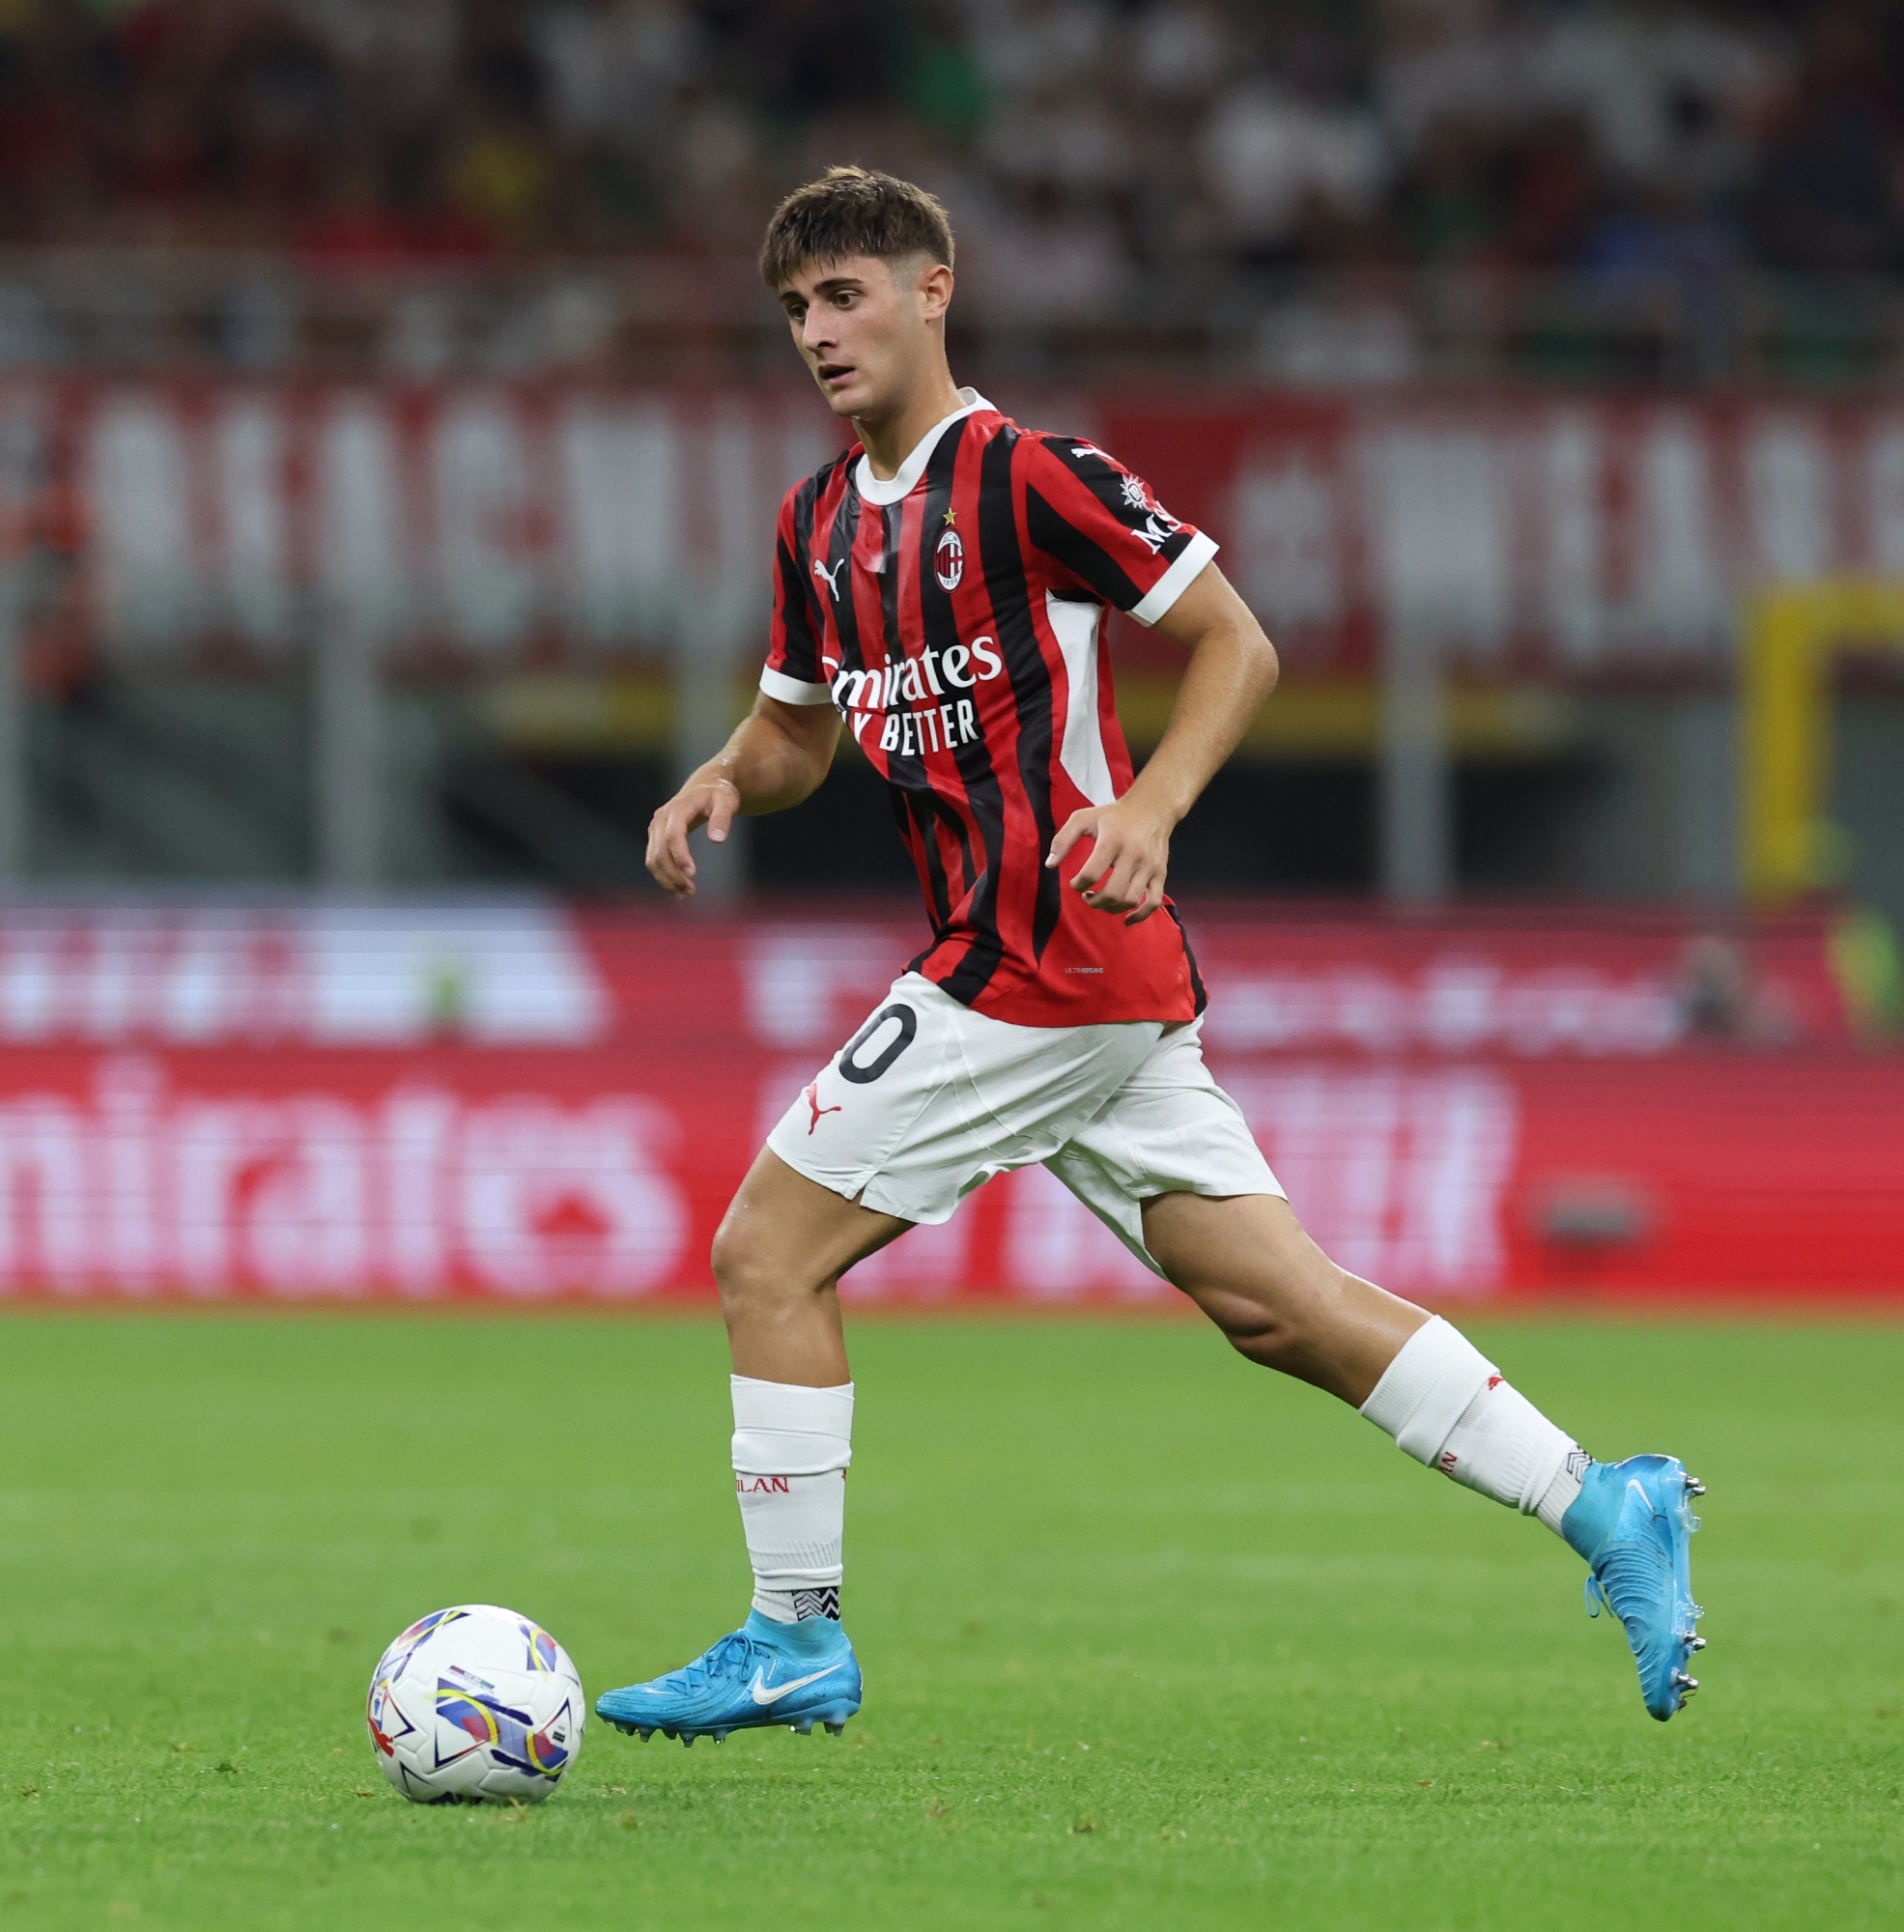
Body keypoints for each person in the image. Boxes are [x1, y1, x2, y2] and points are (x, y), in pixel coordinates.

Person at [595, 166, 1703, 1746]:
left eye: (846, 297)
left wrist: (1157, 807)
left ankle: (792, 1637)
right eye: (794, 311)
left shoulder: (1031, 475)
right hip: (1081, 985)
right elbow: (796, 735)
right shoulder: (819, 525)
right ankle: (1612, 1507)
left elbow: (1237, 641)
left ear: (932, 290)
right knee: (1281, 1309)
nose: (818, 335)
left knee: (765, 1255)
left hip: (1038, 958)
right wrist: (721, 776)